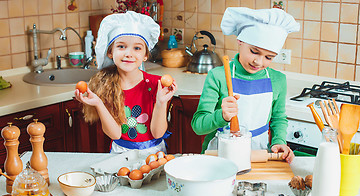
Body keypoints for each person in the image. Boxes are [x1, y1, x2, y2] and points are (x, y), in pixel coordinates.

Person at [191, 7, 299, 163]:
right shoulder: (218, 76)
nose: (259, 62)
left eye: (269, 57)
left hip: (257, 156)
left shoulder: (278, 80)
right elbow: (198, 126)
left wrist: (279, 141)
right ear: (240, 41)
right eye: (254, 51)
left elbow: (279, 119)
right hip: (218, 157)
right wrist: (221, 116)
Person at [75, 11, 177, 156]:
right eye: (121, 46)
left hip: (154, 155)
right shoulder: (107, 86)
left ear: (145, 55)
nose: (129, 53)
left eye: (137, 48)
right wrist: (98, 104)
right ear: (110, 52)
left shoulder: (157, 84)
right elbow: (116, 135)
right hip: (121, 155)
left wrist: (161, 102)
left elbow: (157, 133)